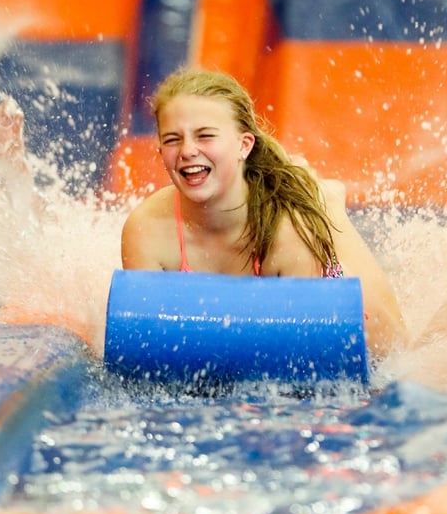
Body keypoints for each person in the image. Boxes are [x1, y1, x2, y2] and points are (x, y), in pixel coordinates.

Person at [120, 67, 406, 358]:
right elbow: (146, 349)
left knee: (389, 347)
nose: (188, 150)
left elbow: (304, 357)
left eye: (205, 136)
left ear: (244, 145)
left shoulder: (288, 229)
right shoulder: (147, 229)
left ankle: (326, 201)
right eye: (172, 139)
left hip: (319, 261)